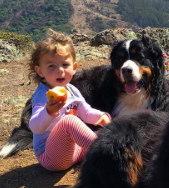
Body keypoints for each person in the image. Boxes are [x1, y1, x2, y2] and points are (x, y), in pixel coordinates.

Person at [28, 29, 111, 171]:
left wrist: (101, 116)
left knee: (101, 134)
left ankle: (107, 150)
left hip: (74, 152)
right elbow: (35, 127)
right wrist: (49, 111)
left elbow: (85, 112)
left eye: (65, 65)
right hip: (51, 157)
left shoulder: (71, 89)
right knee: (68, 121)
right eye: (51, 66)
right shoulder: (43, 95)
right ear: (40, 71)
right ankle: (105, 155)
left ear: (74, 68)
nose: (60, 70)